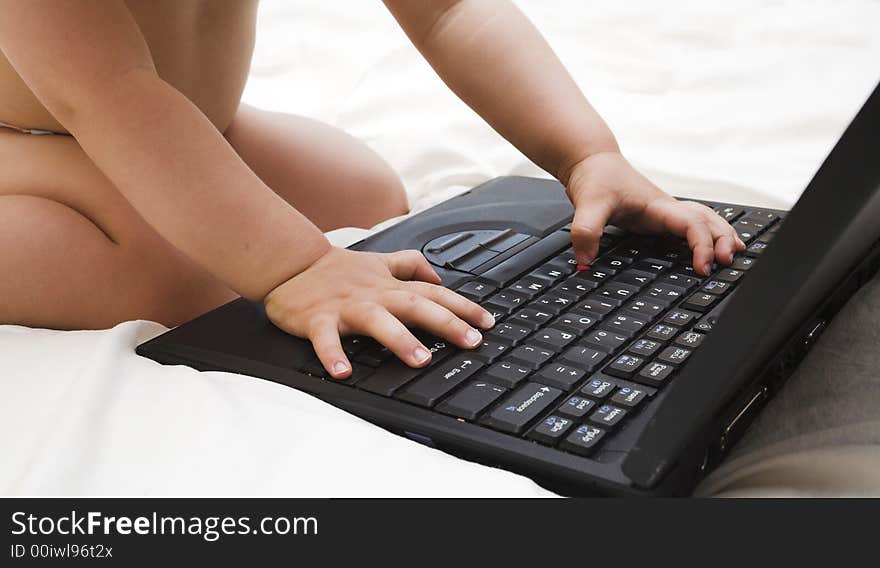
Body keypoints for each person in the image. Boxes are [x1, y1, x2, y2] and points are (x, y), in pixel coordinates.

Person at [0, 0, 742, 379]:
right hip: (37, 134)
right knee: (172, 276)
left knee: (363, 195)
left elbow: (451, 10)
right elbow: (106, 94)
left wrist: (588, 155)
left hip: (177, 114)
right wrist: (294, 270)